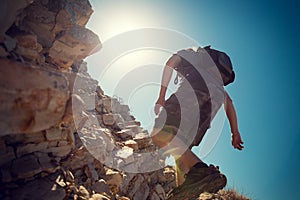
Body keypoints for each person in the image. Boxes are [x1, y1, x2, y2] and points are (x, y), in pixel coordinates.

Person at [150, 46, 244, 195]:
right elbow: (229, 102)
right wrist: (235, 132)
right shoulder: (217, 80)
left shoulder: (192, 55)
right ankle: (183, 192)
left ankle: (203, 171)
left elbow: (171, 62)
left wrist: (161, 96)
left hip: (193, 91)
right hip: (212, 105)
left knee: (159, 134)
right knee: (181, 153)